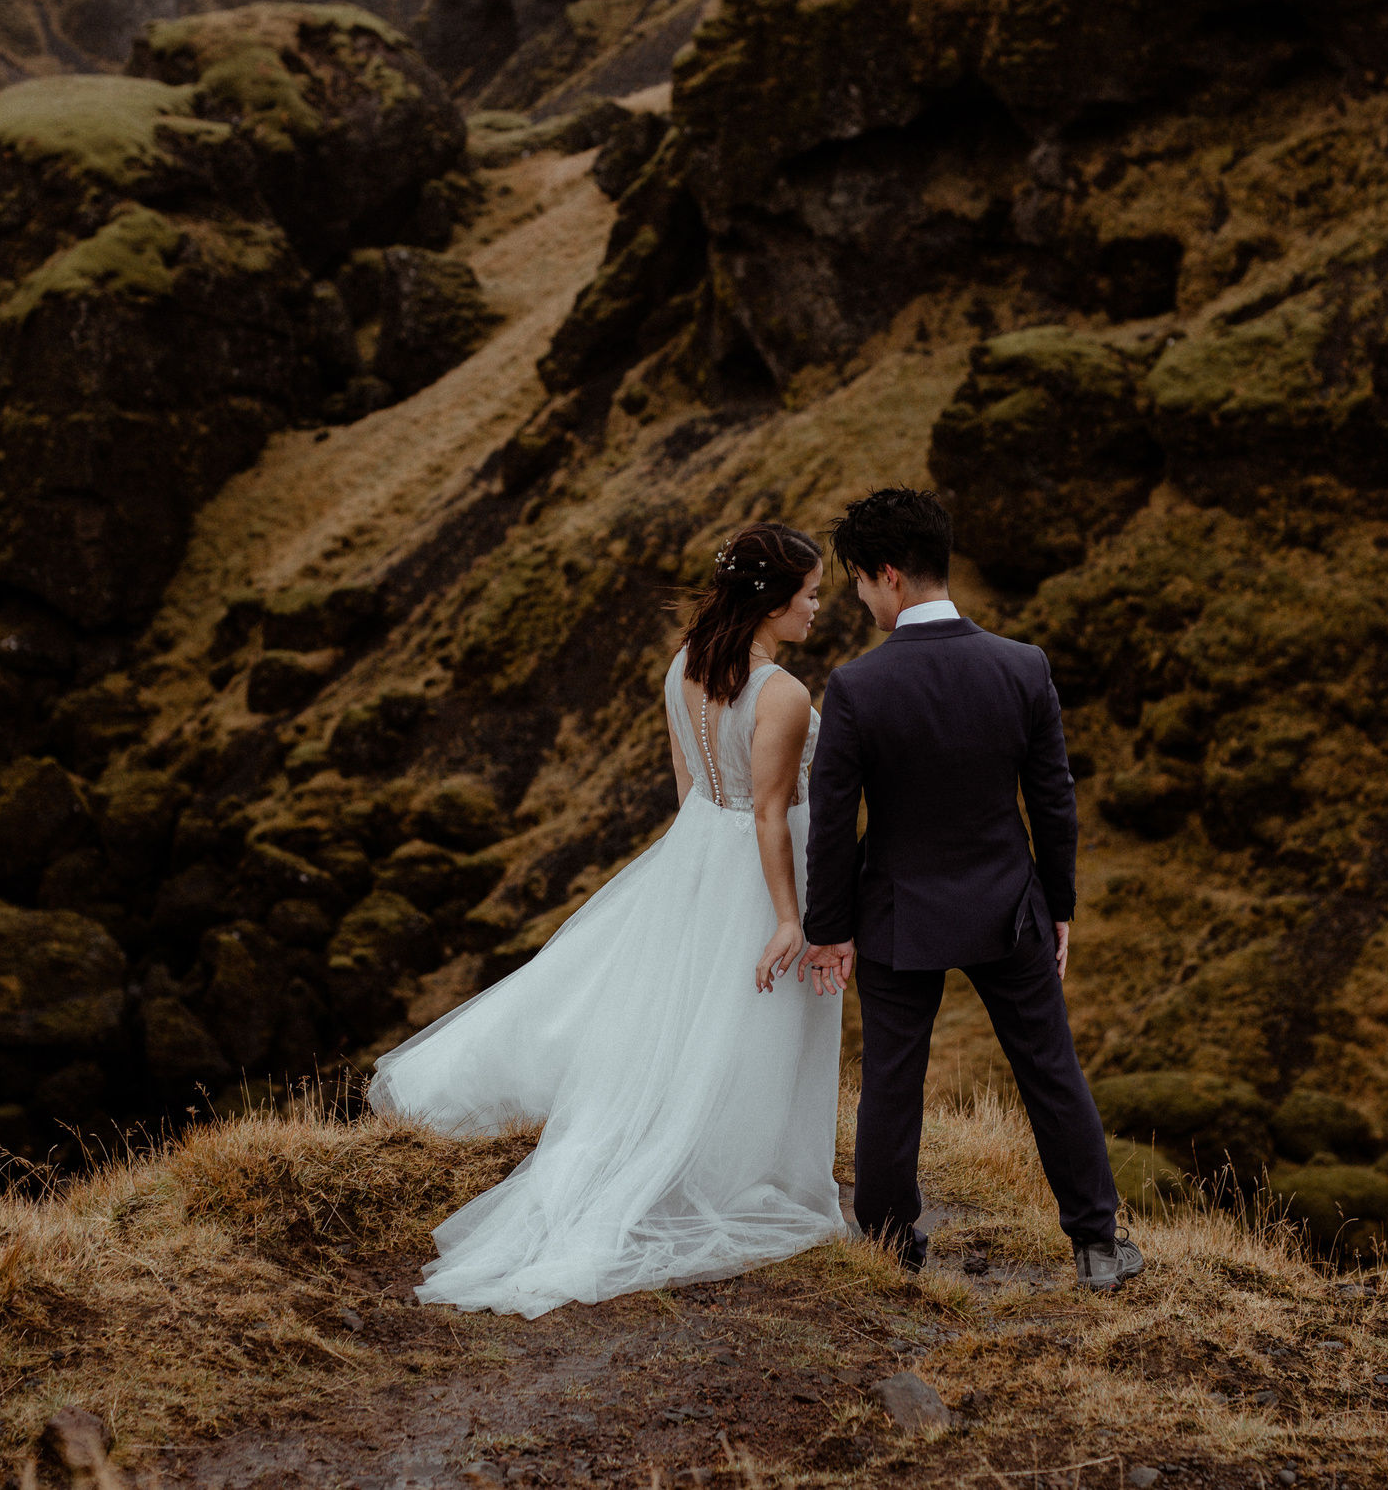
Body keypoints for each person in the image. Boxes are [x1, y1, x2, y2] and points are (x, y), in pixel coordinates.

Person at [368, 522, 845, 1317]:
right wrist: (791, 916)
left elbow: (689, 784)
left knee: (687, 1014)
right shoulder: (785, 693)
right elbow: (769, 813)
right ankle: (737, 1163)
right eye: (811, 594)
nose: (818, 607)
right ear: (772, 601)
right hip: (761, 868)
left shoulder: (684, 668)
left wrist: (695, 870)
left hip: (696, 850)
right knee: (750, 1022)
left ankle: (709, 1142)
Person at [798, 488, 1141, 1291]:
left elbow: (833, 825)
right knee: (1050, 1068)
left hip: (896, 915)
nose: (856, 596)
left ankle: (890, 1242)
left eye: (858, 580)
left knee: (892, 1075)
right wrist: (1058, 905)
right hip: (1007, 910)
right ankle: (1096, 1244)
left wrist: (830, 926)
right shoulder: (1023, 666)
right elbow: (1054, 800)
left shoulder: (857, 688)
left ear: (889, 574)